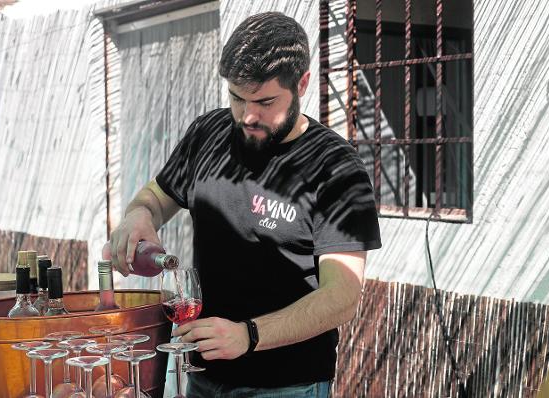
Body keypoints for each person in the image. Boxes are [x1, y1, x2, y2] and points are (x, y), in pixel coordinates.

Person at [106, 11, 381, 397]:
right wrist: (138, 215)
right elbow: (155, 196)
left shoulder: (335, 167)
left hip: (286, 385)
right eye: (237, 98)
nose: (248, 115)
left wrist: (248, 335)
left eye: (265, 101)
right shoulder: (208, 133)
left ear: (302, 83)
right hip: (203, 376)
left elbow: (342, 297)